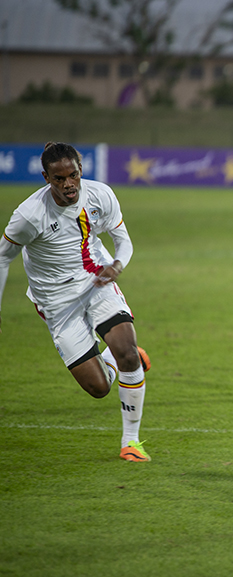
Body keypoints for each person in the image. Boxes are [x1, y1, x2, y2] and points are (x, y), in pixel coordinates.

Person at [0, 142, 152, 462]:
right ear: (46, 178)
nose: (69, 184)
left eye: (74, 175)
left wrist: (117, 265)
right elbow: (3, 258)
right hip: (56, 302)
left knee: (126, 348)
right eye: (59, 179)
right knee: (98, 388)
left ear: (81, 171)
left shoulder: (100, 195)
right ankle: (118, 359)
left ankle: (131, 442)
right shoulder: (29, 215)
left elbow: (123, 241)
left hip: (97, 281)